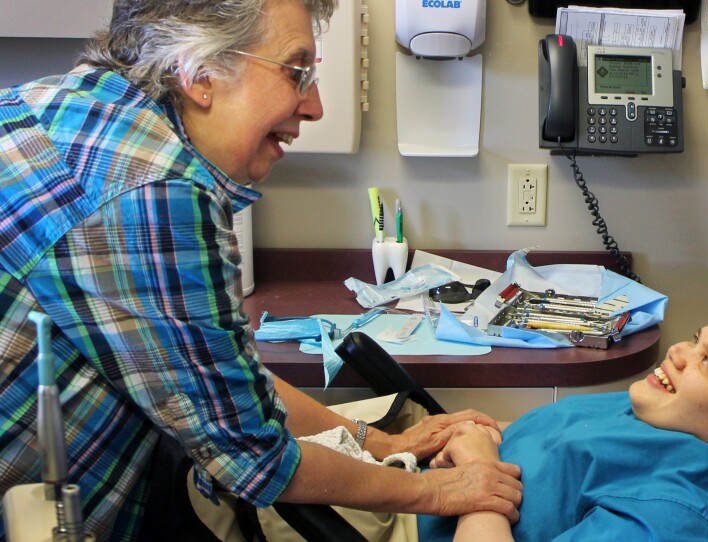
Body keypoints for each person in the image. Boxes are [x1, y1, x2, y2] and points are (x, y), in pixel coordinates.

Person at [0, 1, 521, 540]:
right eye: (297, 72)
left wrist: (381, 443)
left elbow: (220, 380)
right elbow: (257, 459)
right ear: (200, 74)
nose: (315, 105)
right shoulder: (157, 193)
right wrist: (442, 492)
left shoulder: (70, 106)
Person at [276, 310, 708, 541]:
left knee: (222, 457)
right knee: (245, 389)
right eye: (697, 339)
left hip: (409, 521)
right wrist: (469, 435)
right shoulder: (664, 414)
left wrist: (478, 471)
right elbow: (568, 449)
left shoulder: (676, 518)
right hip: (429, 468)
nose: (679, 351)